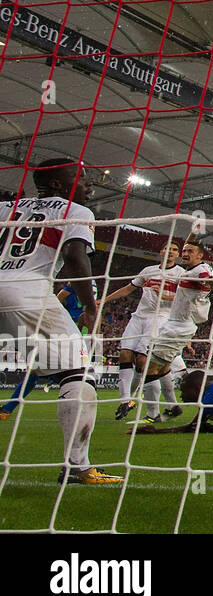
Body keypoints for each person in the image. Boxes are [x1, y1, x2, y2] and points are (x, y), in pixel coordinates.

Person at [0, 158, 121, 484]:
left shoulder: (7, 208)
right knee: (79, 372)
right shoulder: (76, 212)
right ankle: (77, 466)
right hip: (25, 291)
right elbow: (74, 255)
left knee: (50, 366)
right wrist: (91, 305)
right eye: (80, 178)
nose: (89, 185)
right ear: (56, 185)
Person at [117, 238, 213, 419]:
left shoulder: (197, 271)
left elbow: (207, 280)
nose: (185, 254)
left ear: (200, 255)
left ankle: (152, 414)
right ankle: (172, 407)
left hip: (175, 325)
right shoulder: (187, 272)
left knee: (149, 368)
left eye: (188, 252)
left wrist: (209, 285)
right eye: (184, 251)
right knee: (162, 369)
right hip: (175, 325)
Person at [99, 242, 183, 422]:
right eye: (166, 248)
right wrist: (104, 300)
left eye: (174, 250)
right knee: (124, 354)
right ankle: (126, 400)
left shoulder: (180, 274)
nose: (170, 252)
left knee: (144, 361)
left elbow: (185, 299)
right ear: (161, 251)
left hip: (161, 316)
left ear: (177, 255)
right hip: (139, 316)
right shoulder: (148, 270)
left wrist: (165, 295)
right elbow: (129, 289)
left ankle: (155, 412)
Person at [0, 280, 92, 420]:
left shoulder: (74, 281)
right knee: (39, 370)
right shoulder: (91, 283)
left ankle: (8, 409)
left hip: (62, 327)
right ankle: (7, 409)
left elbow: (58, 299)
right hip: (78, 330)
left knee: (37, 370)